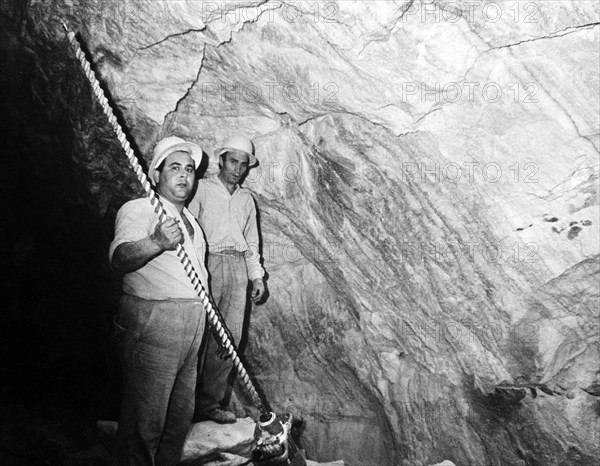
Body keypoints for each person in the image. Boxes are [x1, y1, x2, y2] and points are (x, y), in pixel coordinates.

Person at [109, 136, 208, 465]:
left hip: (192, 326)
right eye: (175, 168)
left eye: (190, 170)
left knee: (178, 422)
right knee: (144, 422)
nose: (184, 176)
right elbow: (119, 258)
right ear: (155, 175)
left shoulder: (192, 223)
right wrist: (155, 241)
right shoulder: (139, 209)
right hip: (153, 322)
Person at [189, 134, 265, 424]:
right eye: (232, 161)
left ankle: (208, 407)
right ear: (220, 160)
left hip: (236, 268)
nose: (237, 169)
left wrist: (256, 277)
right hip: (206, 263)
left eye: (243, 165)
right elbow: (188, 231)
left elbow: (252, 242)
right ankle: (182, 406)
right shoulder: (202, 190)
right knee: (197, 335)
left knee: (228, 340)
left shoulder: (247, 200)